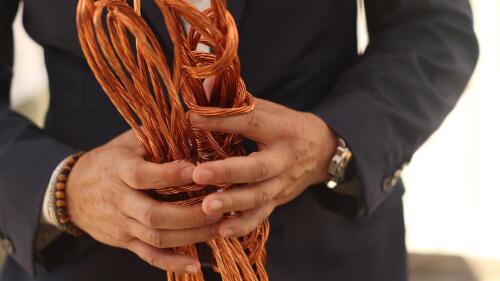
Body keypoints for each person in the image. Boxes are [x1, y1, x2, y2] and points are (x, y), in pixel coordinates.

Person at [0, 0, 478, 280]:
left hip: (324, 252)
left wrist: (331, 144)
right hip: (88, 261)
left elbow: (433, 30)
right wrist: (63, 188)